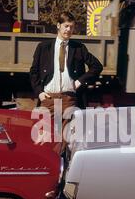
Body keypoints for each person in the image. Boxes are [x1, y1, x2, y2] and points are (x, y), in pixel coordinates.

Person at [30, 11, 103, 153]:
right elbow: (33, 72)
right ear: (58, 26)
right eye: (66, 26)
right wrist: (39, 92)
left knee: (66, 140)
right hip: (48, 99)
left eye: (72, 27)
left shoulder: (78, 48)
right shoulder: (43, 47)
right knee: (44, 137)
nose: (69, 30)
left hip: (69, 99)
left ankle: (62, 169)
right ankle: (47, 167)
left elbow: (97, 66)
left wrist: (80, 81)